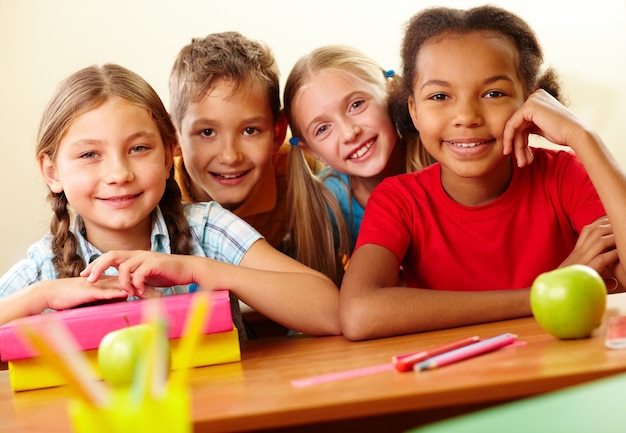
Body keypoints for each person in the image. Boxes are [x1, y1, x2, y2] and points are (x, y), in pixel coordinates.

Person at [339, 5, 626, 341]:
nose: (466, 116)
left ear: (531, 101)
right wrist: (544, 291)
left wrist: (583, 137)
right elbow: (359, 314)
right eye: (440, 96)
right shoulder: (399, 200)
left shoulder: (564, 176)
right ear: (413, 111)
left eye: (493, 93)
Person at [0, 63, 341, 338]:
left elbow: (330, 311)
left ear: (168, 156)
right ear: (51, 170)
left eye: (138, 149)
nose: (119, 173)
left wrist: (199, 269)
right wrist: (39, 298)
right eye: (90, 154)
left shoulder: (208, 230)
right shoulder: (43, 269)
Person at [283, 45, 431, 285]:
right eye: (322, 129)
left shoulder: (444, 159)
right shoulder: (330, 205)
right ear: (312, 152)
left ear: (391, 90)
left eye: (356, 105)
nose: (349, 133)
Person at [168, 31, 291, 251]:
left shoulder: (298, 175)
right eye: (207, 132)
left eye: (250, 130)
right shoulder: (155, 193)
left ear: (278, 132)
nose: (230, 156)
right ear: (174, 136)